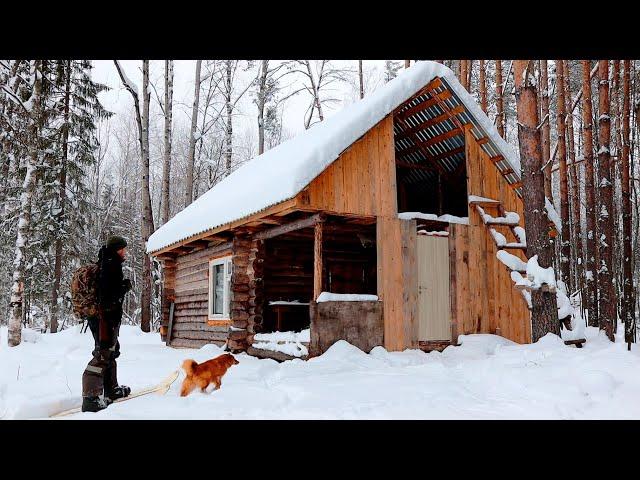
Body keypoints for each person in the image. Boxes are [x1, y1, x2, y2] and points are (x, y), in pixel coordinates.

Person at [81, 235, 133, 412]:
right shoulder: (110, 264)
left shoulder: (108, 262)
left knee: (111, 352)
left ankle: (112, 390)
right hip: (105, 318)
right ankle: (90, 398)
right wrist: (124, 288)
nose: (125, 252)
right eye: (123, 248)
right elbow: (108, 296)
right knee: (103, 354)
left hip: (104, 318)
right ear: (117, 249)